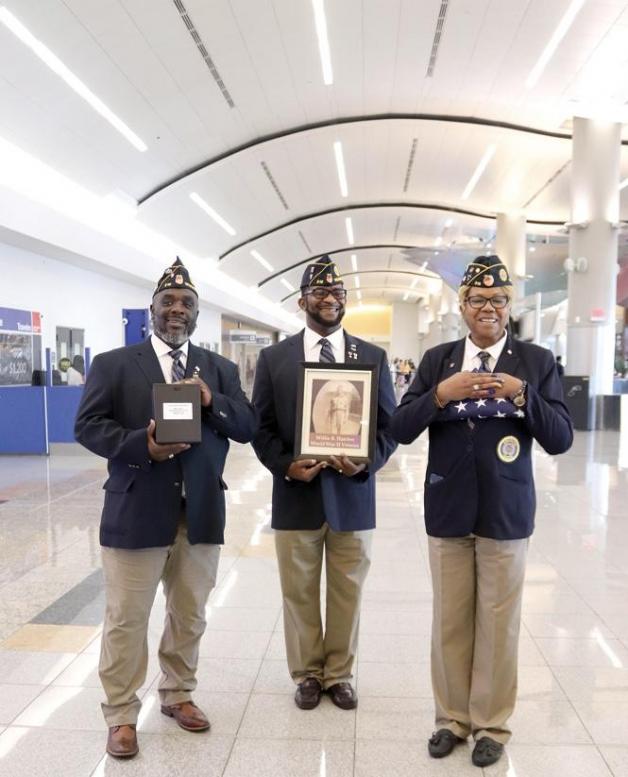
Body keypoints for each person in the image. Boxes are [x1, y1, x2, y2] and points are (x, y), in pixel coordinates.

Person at [389, 255, 573, 768]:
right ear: (462, 305)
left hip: (505, 510)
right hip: (448, 506)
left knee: (498, 624)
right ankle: (451, 719)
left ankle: (491, 725)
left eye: (497, 299)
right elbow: (400, 427)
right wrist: (439, 396)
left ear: (509, 305)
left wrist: (522, 394)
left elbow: (560, 437)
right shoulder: (438, 360)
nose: (487, 307)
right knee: (450, 621)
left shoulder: (535, 361)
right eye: (477, 299)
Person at [75, 257, 257, 759]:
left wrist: (213, 402)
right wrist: (142, 446)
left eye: (187, 303)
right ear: (152, 309)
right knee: (126, 618)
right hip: (136, 509)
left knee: (189, 613)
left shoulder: (219, 369)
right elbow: (88, 426)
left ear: (196, 313)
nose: (177, 309)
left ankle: (177, 693)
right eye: (168, 301)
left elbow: (247, 426)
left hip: (200, 513)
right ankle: (120, 713)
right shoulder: (114, 364)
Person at [252, 255, 397, 711]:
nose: (330, 299)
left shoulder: (372, 357)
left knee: (347, 591)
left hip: (352, 496)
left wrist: (364, 464)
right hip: (296, 495)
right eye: (320, 292)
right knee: (297, 591)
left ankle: (339, 674)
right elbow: (261, 428)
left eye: (337, 292)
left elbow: (389, 428)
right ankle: (307, 674)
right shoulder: (274, 359)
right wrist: (285, 465)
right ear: (302, 301)